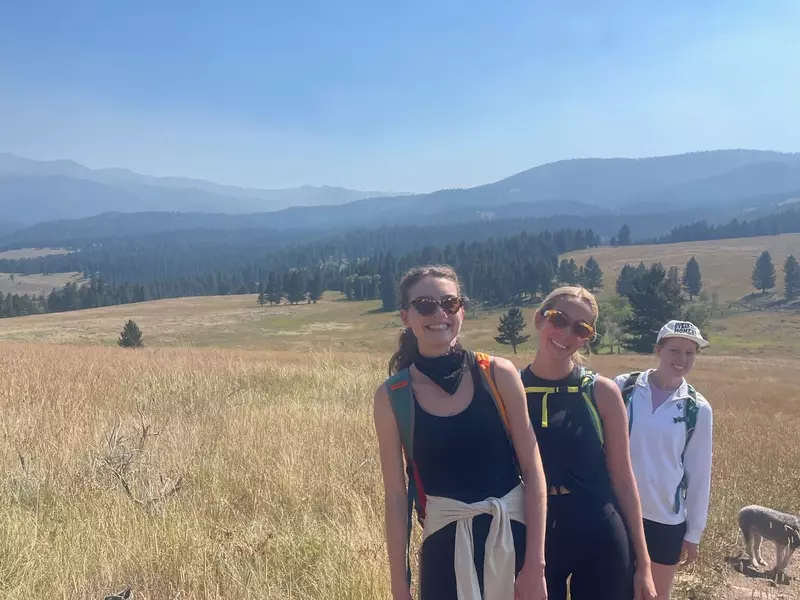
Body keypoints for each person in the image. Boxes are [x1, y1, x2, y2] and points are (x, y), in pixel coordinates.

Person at [373, 265, 548, 600]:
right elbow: (396, 497)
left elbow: (533, 470)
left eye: (449, 303)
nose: (439, 313)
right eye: (425, 305)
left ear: (461, 310)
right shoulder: (392, 396)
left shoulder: (498, 374)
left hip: (512, 540)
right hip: (443, 549)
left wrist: (535, 566)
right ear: (406, 317)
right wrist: (399, 586)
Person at [520, 285, 656, 600]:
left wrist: (645, 564)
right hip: (532, 532)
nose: (566, 333)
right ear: (539, 319)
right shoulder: (511, 388)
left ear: (587, 338)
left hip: (598, 527)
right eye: (558, 319)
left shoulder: (601, 392)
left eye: (581, 328)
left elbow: (623, 478)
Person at [614, 320, 713, 600]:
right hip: (617, 510)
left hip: (665, 520)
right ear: (658, 350)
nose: (682, 360)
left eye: (690, 353)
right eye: (674, 350)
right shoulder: (624, 387)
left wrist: (693, 533)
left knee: (653, 596)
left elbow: (699, 473)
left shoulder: (697, 408)